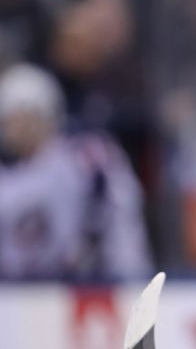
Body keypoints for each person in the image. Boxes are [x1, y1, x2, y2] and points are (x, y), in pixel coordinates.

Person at [0, 63, 152, 281]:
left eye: (13, 119)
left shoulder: (85, 158)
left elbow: (120, 217)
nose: (8, 129)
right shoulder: (11, 175)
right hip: (28, 291)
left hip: (92, 282)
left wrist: (129, 273)